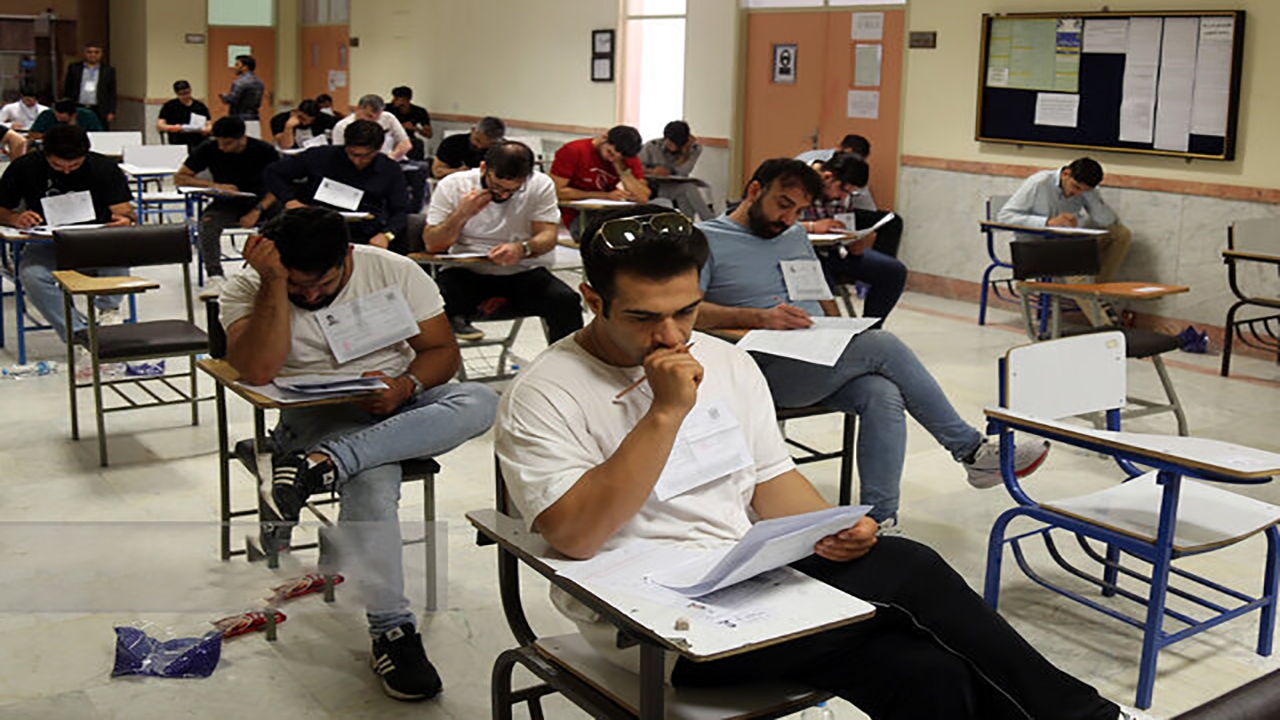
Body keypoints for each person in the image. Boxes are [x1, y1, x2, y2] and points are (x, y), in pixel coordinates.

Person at [493, 204, 1127, 720]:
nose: (671, 336)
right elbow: (575, 537)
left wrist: (833, 528)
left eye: (685, 311)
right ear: (592, 298)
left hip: (746, 581)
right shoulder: (546, 392)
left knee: (924, 671)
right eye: (643, 317)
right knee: (910, 570)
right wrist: (663, 414)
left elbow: (772, 481)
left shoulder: (727, 362)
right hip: (650, 626)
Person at [220, 206, 498, 701]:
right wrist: (273, 285)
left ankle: (326, 464)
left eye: (323, 284)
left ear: (347, 255)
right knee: (371, 482)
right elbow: (258, 370)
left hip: (395, 400)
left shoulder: (392, 270)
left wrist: (405, 386)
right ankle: (392, 631)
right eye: (297, 285)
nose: (310, 296)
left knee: (480, 400)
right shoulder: (250, 284)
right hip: (314, 414)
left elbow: (441, 352)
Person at [694, 159, 1050, 530]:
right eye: (783, 205)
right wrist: (759, 318)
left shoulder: (793, 234)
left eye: (798, 211)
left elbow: (818, 292)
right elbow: (688, 313)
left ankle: (880, 520)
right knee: (881, 345)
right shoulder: (704, 240)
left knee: (882, 393)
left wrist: (838, 330)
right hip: (758, 366)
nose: (788, 219)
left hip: (813, 355)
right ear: (754, 191)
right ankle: (972, 450)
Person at [423, 140, 582, 343]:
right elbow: (433, 244)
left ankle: (566, 361)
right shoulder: (453, 185)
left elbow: (548, 236)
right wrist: (462, 214)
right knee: (432, 306)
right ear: (483, 168)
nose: (503, 195)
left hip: (523, 272)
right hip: (465, 272)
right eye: (496, 187)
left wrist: (524, 248)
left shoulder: (540, 184)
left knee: (566, 301)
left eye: (513, 190)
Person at [0, 125, 133, 344]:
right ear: (45, 154)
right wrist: (16, 218)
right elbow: (2, 209)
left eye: (75, 165)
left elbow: (125, 212)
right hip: (47, 243)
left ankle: (108, 311)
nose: (67, 171)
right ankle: (79, 336)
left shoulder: (104, 167)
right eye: (57, 165)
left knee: (119, 262)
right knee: (32, 276)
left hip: (97, 241)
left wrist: (125, 219)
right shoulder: (25, 167)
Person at [264, 119, 409, 252]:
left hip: (363, 234)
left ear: (378, 149)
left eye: (365, 156)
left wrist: (387, 235)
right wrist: (290, 200)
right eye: (352, 154)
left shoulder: (390, 169)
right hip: (315, 229)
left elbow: (401, 210)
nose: (357, 161)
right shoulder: (321, 156)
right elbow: (273, 172)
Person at [174, 117, 281, 296]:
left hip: (263, 202)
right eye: (219, 142)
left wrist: (257, 211)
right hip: (228, 202)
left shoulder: (264, 151)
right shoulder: (209, 148)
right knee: (207, 224)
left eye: (228, 143)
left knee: (284, 223)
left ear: (242, 138)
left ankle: (269, 271)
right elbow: (180, 177)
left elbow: (278, 187)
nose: (222, 147)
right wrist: (215, 186)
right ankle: (215, 276)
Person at [798, 152, 907, 320]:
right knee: (821, 281)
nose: (843, 197)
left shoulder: (842, 193)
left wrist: (852, 241)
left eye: (850, 193)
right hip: (803, 255)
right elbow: (778, 224)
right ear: (827, 177)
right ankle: (832, 329)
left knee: (894, 272)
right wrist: (812, 227)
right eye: (843, 190)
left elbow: (844, 223)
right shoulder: (796, 182)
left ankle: (871, 327)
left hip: (834, 250)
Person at [999, 157, 1131, 283]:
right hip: (1036, 246)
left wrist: (1090, 195)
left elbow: (1107, 221)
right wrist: (1047, 222)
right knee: (1077, 266)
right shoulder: (1039, 183)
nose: (1076, 193)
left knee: (1120, 234)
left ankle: (1098, 289)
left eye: (1083, 190)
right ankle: (1088, 297)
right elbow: (1004, 217)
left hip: (1067, 242)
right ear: (1065, 174)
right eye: (1076, 187)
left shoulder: (1086, 191)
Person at [549, 124, 650, 234]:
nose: (611, 160)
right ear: (604, 137)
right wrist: (604, 195)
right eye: (609, 152)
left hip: (616, 213)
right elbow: (556, 192)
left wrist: (622, 171)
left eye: (617, 158)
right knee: (608, 234)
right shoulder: (574, 150)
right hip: (581, 215)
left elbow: (643, 198)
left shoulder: (626, 158)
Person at [638, 119, 714, 221]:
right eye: (670, 144)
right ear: (665, 138)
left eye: (677, 145)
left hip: (675, 186)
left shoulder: (694, 149)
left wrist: (685, 154)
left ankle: (688, 224)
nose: (673, 148)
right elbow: (636, 170)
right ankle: (709, 221)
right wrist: (652, 172)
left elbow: (683, 172)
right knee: (688, 188)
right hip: (653, 187)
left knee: (685, 194)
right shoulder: (651, 146)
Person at [331, 95, 412, 160]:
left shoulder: (388, 118)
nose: (374, 120)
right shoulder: (342, 126)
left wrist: (391, 158)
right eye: (369, 116)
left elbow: (406, 143)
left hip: (390, 159)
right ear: (358, 109)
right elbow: (340, 154)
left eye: (378, 117)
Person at [62, 42, 117, 129]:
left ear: (101, 54)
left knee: (99, 132)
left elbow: (111, 92)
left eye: (96, 52)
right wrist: (67, 109)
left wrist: (111, 111)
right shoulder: (74, 68)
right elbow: (68, 89)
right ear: (84, 53)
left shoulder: (108, 70)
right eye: (89, 52)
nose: (93, 55)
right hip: (78, 107)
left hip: (99, 109)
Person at [431, 116, 504, 179]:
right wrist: (458, 171)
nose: (479, 146)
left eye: (486, 145)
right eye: (477, 140)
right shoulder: (452, 143)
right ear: (473, 130)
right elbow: (437, 171)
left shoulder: (502, 150)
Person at [156, 80, 212, 148]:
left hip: (198, 141)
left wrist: (206, 130)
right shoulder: (170, 106)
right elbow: (160, 125)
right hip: (178, 140)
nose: (185, 96)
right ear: (176, 93)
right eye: (182, 94)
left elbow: (209, 124)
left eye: (187, 93)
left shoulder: (200, 106)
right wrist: (172, 127)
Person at [387, 86, 432, 160]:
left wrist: (415, 128)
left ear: (406, 100)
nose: (393, 100)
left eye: (397, 98)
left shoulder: (419, 111)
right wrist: (400, 126)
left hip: (409, 139)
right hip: (391, 137)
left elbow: (429, 134)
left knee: (417, 144)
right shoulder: (387, 109)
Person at [270, 99, 335, 149]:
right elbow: (285, 146)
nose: (305, 123)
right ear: (296, 111)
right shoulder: (279, 120)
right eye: (302, 119)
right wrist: (288, 127)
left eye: (310, 121)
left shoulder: (324, 119)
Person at [29, 98, 103, 139]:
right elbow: (33, 133)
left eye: (62, 118)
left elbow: (98, 134)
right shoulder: (46, 114)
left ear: (73, 115)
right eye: (56, 116)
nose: (58, 119)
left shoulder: (88, 115)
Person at [220, 55, 265, 121]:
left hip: (239, 118)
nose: (235, 67)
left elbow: (232, 99)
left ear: (245, 67)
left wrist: (224, 97)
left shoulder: (240, 82)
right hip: (254, 117)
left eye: (237, 65)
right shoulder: (259, 82)